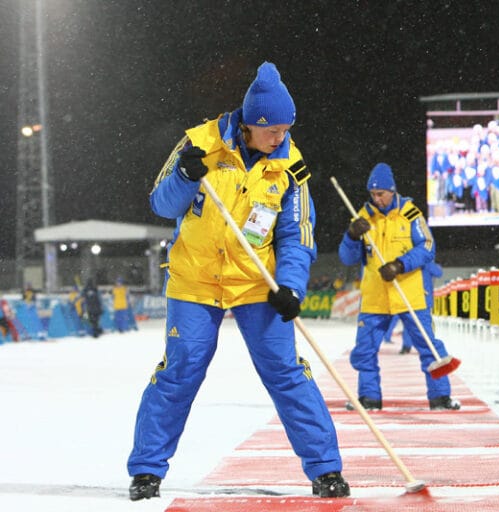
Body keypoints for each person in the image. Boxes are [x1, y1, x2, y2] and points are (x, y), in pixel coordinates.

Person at [126, 61, 349, 501]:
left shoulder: (291, 165)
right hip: (195, 279)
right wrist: (186, 177)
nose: (281, 138)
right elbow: (161, 204)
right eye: (274, 130)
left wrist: (290, 285)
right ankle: (147, 470)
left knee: (286, 371)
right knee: (181, 369)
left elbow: (296, 232)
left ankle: (325, 469)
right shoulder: (198, 143)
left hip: (255, 282)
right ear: (252, 123)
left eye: (287, 129)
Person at [338, 162, 460, 411]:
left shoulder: (411, 214)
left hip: (410, 293)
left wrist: (400, 265)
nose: (377, 199)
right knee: (365, 349)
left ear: (392, 191)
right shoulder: (362, 217)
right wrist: (351, 236)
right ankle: (369, 397)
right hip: (375, 295)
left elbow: (427, 247)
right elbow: (348, 258)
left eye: (381, 194)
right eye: (372, 195)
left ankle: (440, 397)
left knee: (428, 345)